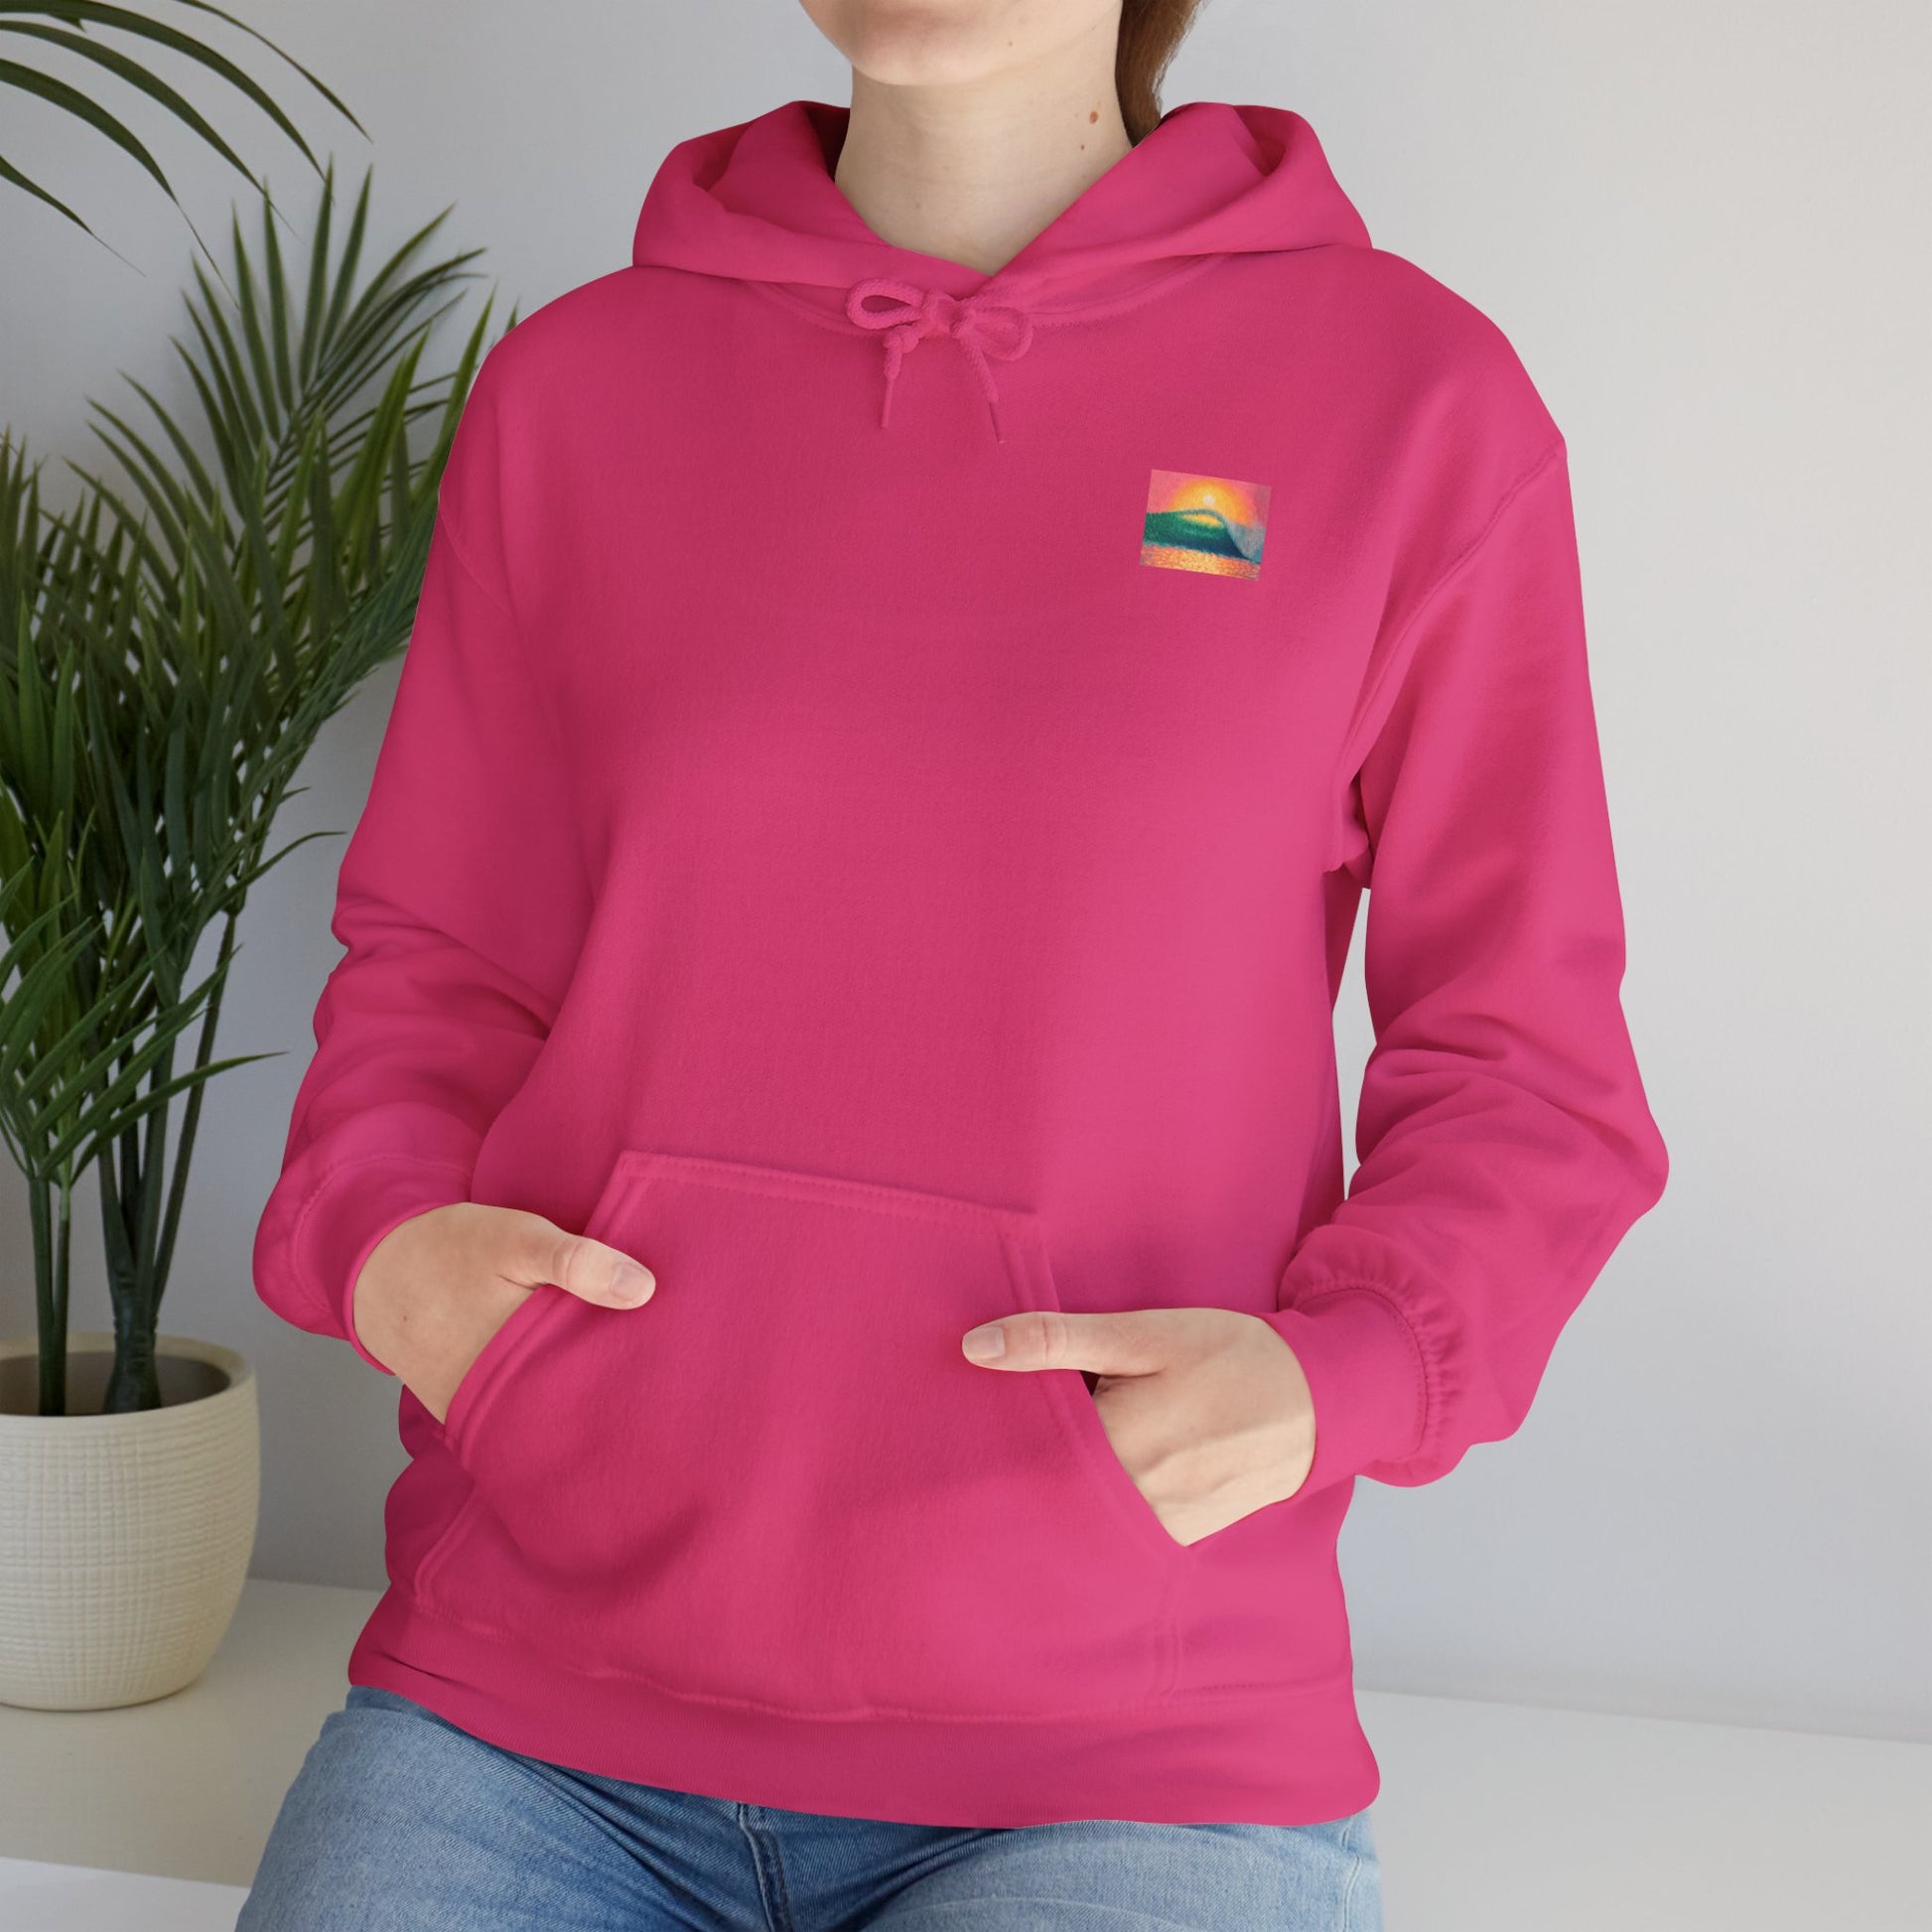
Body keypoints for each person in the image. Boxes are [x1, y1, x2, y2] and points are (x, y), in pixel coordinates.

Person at [239, 1, 1669, 1924]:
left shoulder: (1411, 405)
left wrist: (1350, 1373)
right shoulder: (580, 391)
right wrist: (389, 1249)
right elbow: (438, 956)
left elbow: (1523, 1057)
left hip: (1130, 1747)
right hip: (532, 1710)